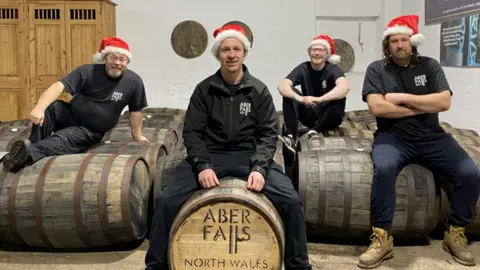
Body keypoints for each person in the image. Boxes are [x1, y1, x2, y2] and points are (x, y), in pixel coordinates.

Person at [145, 24, 312, 270]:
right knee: (166, 201)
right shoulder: (204, 90)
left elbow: (268, 134)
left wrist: (259, 168)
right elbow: (192, 132)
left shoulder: (258, 90)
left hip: (248, 157)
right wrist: (202, 166)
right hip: (213, 155)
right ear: (218, 54)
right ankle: (156, 266)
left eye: (236, 49)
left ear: (244, 53)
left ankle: (299, 266)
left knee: (291, 200)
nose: (231, 54)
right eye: (225, 50)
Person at [358, 14, 480, 269]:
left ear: (412, 42)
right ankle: (382, 238)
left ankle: (455, 231)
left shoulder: (430, 66)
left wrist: (401, 97)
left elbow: (444, 102)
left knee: (470, 173)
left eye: (404, 39)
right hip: (393, 137)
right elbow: (377, 108)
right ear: (387, 44)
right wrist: (420, 106)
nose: (399, 45)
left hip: (431, 136)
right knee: (384, 170)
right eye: (394, 41)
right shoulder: (376, 69)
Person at [1, 37, 148, 172]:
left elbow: (136, 110)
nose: (117, 63)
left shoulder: (134, 82)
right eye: (113, 58)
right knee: (52, 107)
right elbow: (58, 86)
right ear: (105, 57)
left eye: (122, 59)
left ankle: (24, 155)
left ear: (127, 62)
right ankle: (31, 147)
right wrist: (39, 108)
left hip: (89, 130)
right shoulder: (87, 71)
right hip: (70, 115)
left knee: (61, 139)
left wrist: (138, 135)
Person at [277, 34, 350, 152]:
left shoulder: (332, 69)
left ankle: (316, 130)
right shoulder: (303, 68)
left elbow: (344, 87)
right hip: (309, 113)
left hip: (329, 117)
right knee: (290, 93)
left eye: (321, 50)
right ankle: (290, 136)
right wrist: (299, 98)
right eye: (314, 49)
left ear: (327, 54)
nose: (317, 53)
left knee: (338, 97)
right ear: (309, 52)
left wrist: (319, 99)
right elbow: (282, 85)